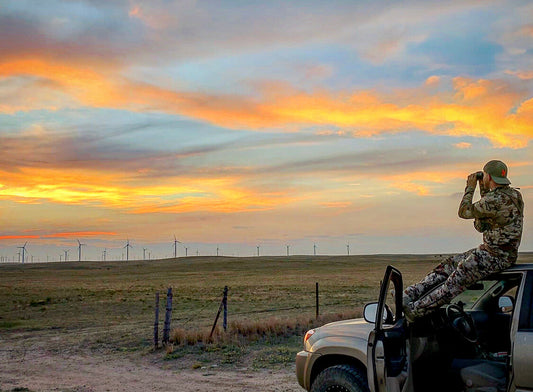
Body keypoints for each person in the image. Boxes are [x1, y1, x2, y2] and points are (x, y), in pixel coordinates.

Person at [403, 160, 524, 322]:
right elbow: (486, 216)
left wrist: (471, 186)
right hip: (495, 253)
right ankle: (411, 293)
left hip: (494, 257)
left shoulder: (493, 200)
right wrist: (483, 186)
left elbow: (464, 211)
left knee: (454, 282)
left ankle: (415, 311)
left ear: (488, 176)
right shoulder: (514, 195)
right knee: (450, 264)